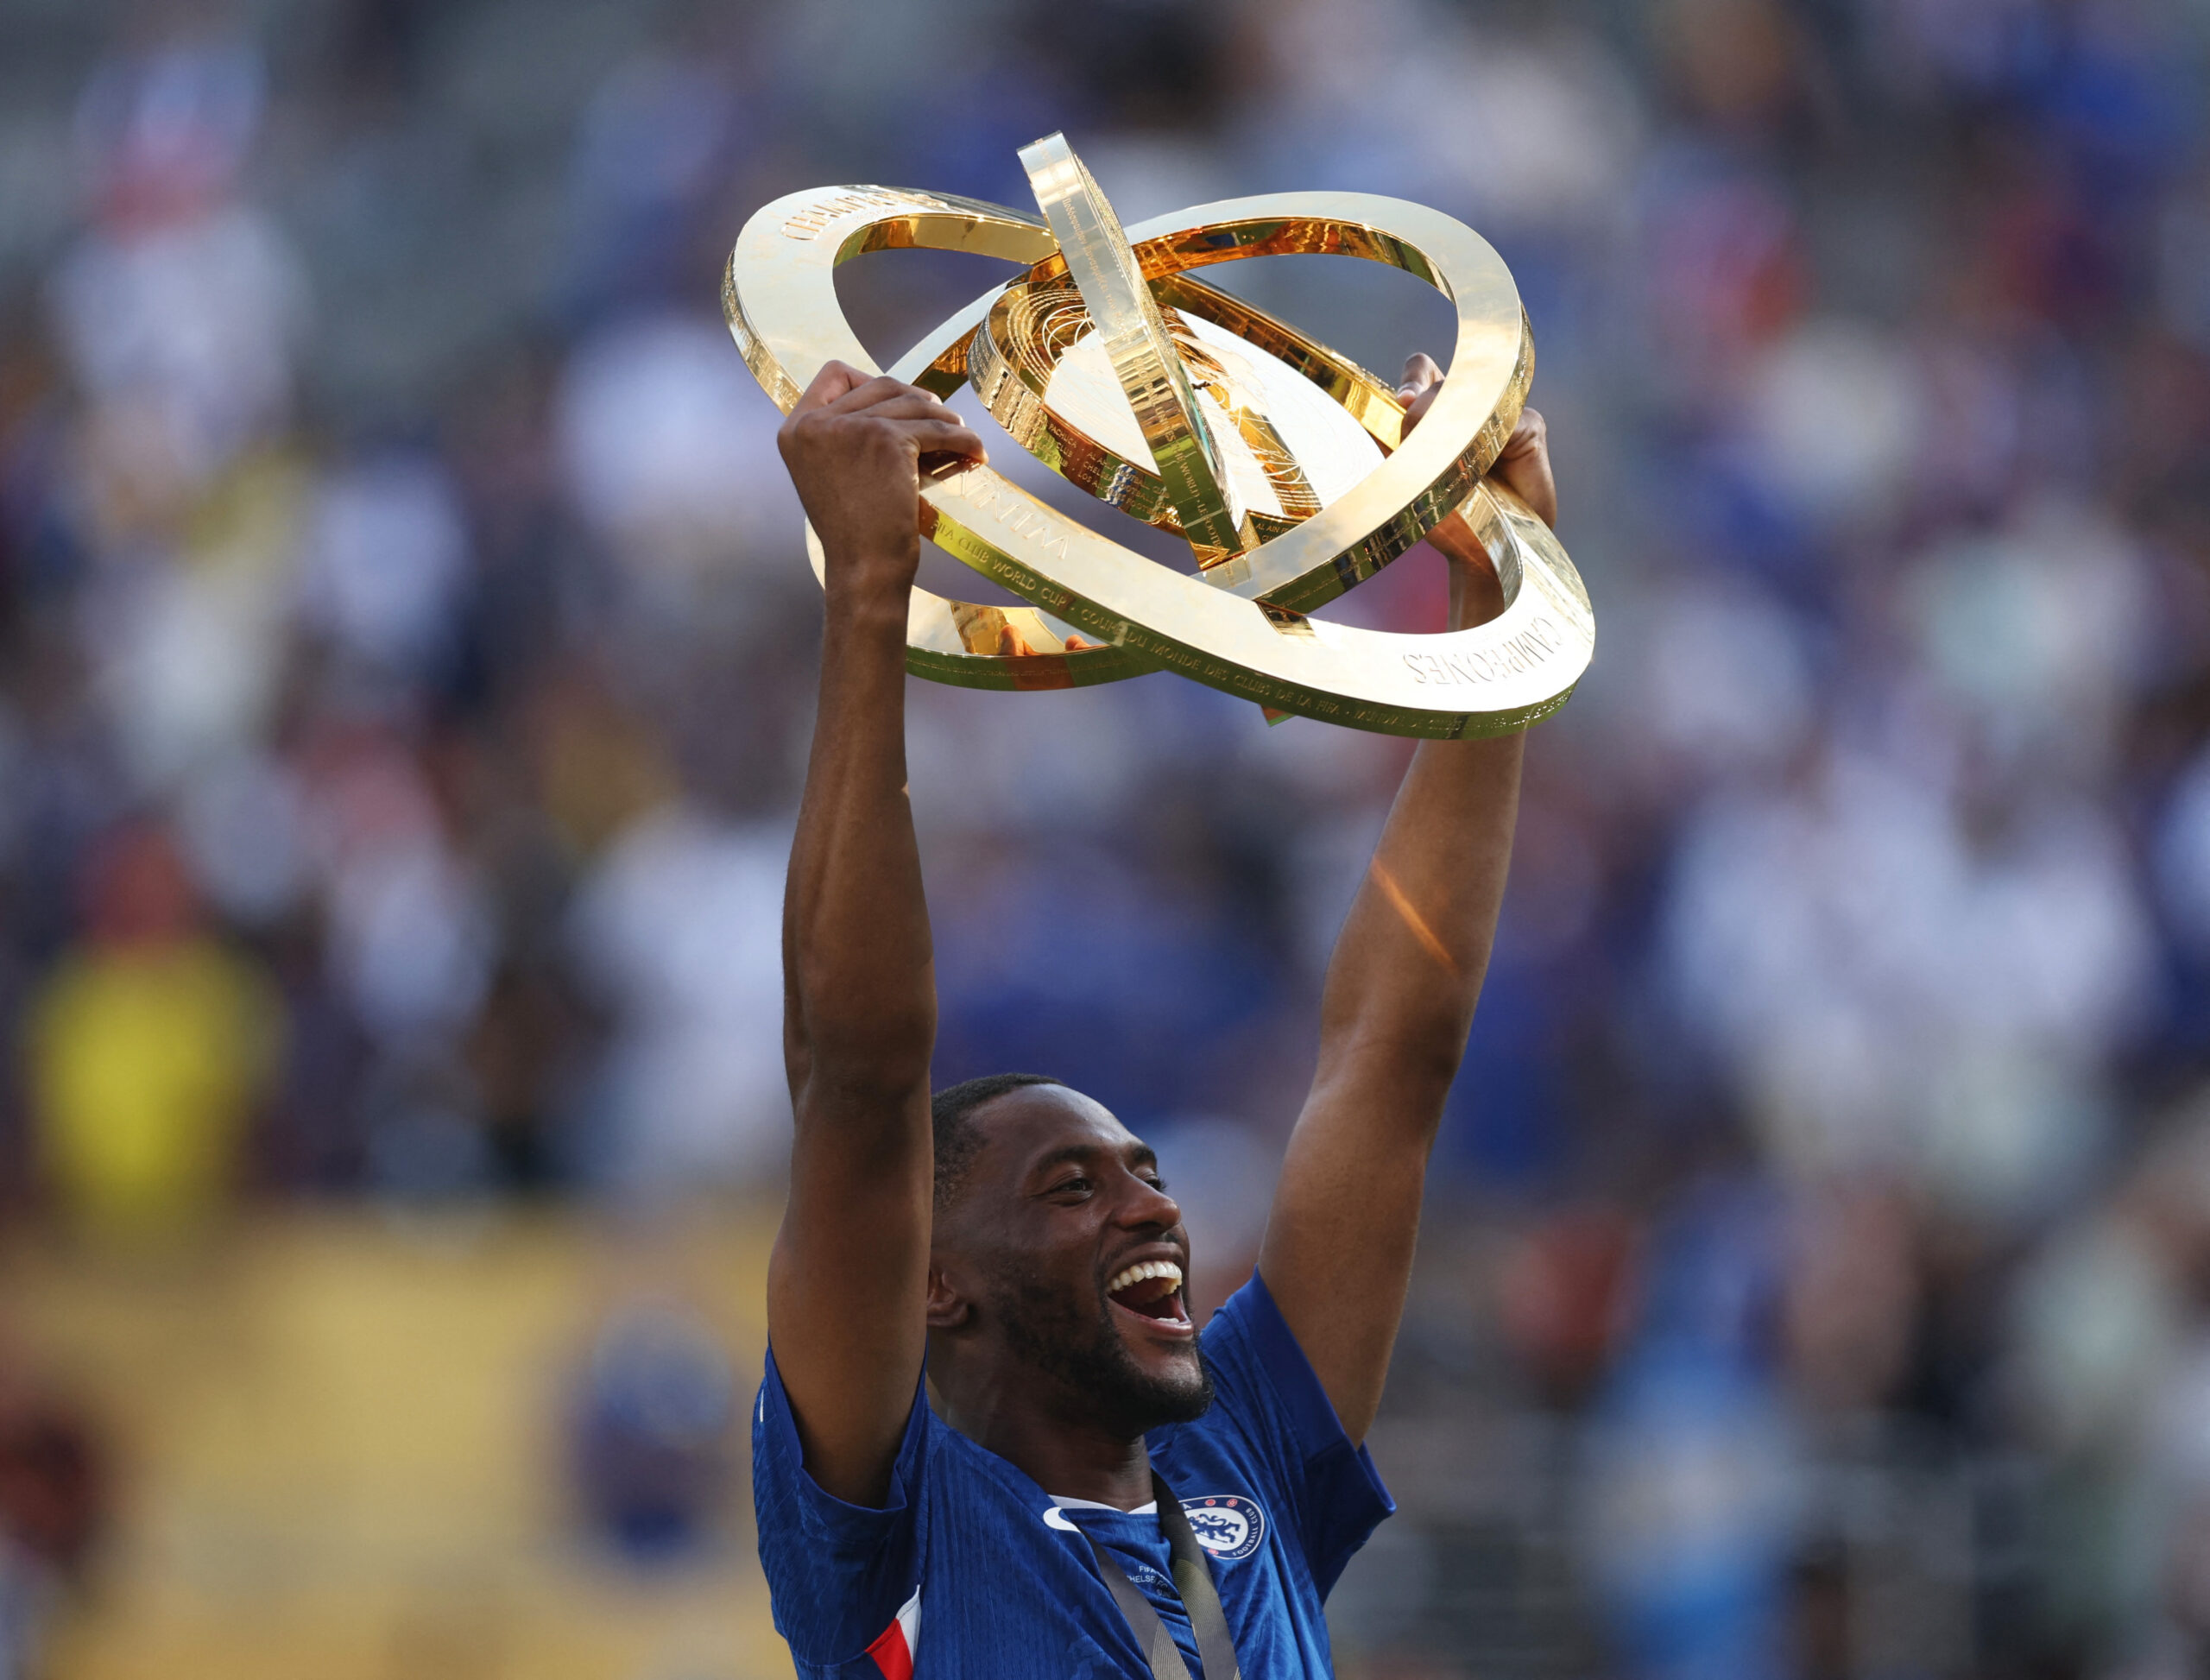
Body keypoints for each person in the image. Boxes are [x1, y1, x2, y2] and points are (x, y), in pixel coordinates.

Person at [756, 349, 1553, 1679]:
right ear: (933, 1284)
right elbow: (855, 1074)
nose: (1154, 1210)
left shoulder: (1244, 1462)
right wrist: (871, 588)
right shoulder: (890, 1525)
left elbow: (1390, 1057)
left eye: (1144, 1172)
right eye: (1072, 1187)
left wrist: (1489, 600)